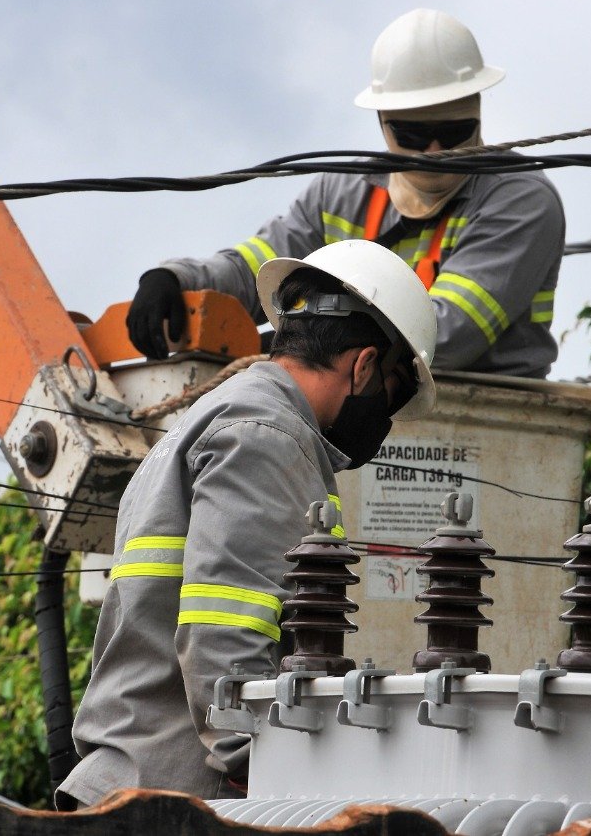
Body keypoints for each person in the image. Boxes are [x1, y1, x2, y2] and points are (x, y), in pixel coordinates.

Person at [59, 240, 437, 807]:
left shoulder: (212, 418)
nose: (384, 420)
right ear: (363, 366)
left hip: (131, 781)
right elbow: (226, 633)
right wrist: (267, 777)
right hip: (184, 799)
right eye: (391, 395)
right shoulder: (268, 437)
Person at [126, 8, 565, 379]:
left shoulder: (520, 200)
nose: (435, 151)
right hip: (357, 402)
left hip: (488, 416)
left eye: (453, 132)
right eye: (413, 133)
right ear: (382, 123)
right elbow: (258, 268)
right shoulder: (340, 192)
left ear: (478, 112)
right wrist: (176, 279)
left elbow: (439, 336)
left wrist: (300, 341)